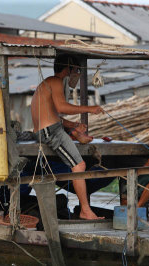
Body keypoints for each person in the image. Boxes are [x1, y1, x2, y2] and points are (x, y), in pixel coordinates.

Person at [31, 54, 104, 220]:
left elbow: (54, 115)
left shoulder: (49, 82)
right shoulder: (56, 81)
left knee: (74, 135)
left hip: (51, 128)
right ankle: (85, 210)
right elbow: (61, 107)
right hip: (49, 131)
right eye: (76, 70)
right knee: (79, 165)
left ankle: (77, 135)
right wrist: (89, 108)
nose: (77, 74)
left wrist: (73, 126)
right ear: (68, 68)